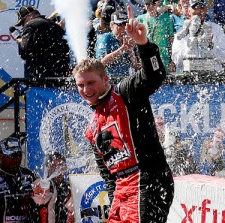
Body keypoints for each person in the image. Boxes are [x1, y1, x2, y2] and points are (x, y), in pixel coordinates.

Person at [72, 6, 174, 223]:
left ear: (106, 79)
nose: (86, 90)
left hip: (148, 180)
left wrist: (143, 45)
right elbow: (109, 178)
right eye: (81, 85)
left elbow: (154, 76)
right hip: (122, 191)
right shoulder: (92, 130)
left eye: (91, 83)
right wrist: (113, 204)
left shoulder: (125, 92)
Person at [171, 0, 225, 73]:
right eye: (195, 8)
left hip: (213, 74)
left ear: (206, 10)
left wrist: (210, 46)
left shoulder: (216, 29)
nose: (198, 11)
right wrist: (190, 47)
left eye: (201, 8)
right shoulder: (181, 31)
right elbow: (176, 59)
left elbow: (224, 57)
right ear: (189, 11)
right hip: (188, 75)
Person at [14, 5, 70, 79]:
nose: (23, 25)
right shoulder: (56, 27)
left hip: (38, 79)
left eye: (23, 22)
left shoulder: (30, 25)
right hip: (59, 78)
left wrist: (20, 42)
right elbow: (65, 51)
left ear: (30, 16)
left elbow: (25, 52)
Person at [95, 10, 142, 81]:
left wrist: (131, 52)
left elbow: (137, 67)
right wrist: (123, 48)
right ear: (111, 25)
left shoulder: (129, 39)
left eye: (125, 24)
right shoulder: (106, 38)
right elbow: (100, 64)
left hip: (126, 80)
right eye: (119, 24)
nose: (123, 28)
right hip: (109, 81)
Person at [32, 151, 74, 223]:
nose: (57, 169)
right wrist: (38, 190)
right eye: (53, 165)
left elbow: (74, 210)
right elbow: (40, 198)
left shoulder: (70, 189)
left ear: (65, 168)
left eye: (60, 165)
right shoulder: (44, 185)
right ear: (48, 168)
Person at [136, 0, 175, 73]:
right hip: (146, 58)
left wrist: (172, 60)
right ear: (144, 5)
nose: (150, 7)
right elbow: (136, 41)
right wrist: (138, 60)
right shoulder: (139, 19)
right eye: (147, 4)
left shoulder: (166, 19)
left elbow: (171, 41)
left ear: (158, 3)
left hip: (163, 58)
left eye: (153, 4)